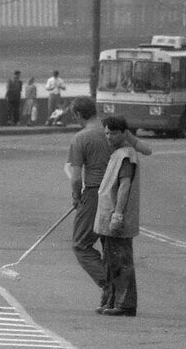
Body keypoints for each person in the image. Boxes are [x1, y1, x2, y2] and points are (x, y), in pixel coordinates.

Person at [95, 115, 153, 316]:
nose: (109, 137)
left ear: (123, 133)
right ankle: (111, 301)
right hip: (106, 218)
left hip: (115, 217)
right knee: (111, 262)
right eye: (107, 133)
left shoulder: (126, 155)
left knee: (121, 261)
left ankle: (125, 304)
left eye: (113, 133)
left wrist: (117, 216)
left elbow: (124, 186)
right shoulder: (118, 153)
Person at [64, 96, 114, 311]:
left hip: (94, 193)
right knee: (109, 243)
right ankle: (112, 295)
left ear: (78, 115)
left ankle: (110, 285)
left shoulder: (81, 138)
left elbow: (76, 177)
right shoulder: (110, 131)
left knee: (81, 244)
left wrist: (76, 197)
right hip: (117, 191)